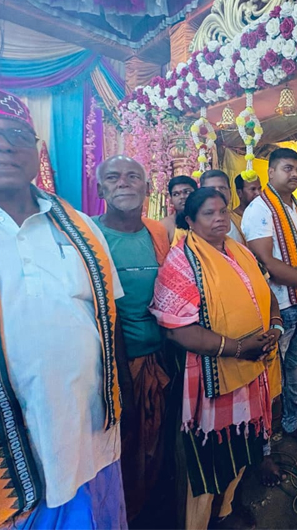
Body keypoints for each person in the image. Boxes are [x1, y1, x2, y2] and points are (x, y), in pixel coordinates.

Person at [0, 86, 126, 529]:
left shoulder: (81, 227)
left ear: (37, 152)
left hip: (89, 449)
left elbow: (107, 326)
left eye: (18, 135)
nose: (2, 144)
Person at [150, 188, 282, 529]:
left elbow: (266, 293)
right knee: (207, 462)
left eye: (223, 210)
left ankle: (225, 512)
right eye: (209, 213)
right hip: (212, 377)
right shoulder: (181, 262)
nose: (220, 218)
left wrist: (275, 327)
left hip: (251, 370)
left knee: (241, 448)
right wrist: (238, 348)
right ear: (190, 221)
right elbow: (177, 330)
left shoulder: (239, 251)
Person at [93, 155, 172, 526]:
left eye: (132, 176)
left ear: (148, 188)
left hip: (161, 360)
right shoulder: (88, 236)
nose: (123, 182)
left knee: (156, 449)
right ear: (100, 189)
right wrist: (120, 376)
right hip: (114, 369)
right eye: (113, 177)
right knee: (122, 452)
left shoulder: (158, 233)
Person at [242, 148, 297, 449]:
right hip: (280, 306)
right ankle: (264, 444)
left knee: (295, 366)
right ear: (270, 172)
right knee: (269, 374)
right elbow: (266, 261)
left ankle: (292, 422)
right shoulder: (260, 208)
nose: (294, 174)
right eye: (287, 168)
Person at [200, 169, 245, 243]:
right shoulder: (196, 223)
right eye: (211, 189)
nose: (218, 192)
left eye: (222, 188)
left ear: (230, 193)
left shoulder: (241, 220)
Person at [163, 175, 198, 245]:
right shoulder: (165, 225)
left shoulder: (207, 221)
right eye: (176, 194)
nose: (182, 197)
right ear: (171, 199)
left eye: (187, 192)